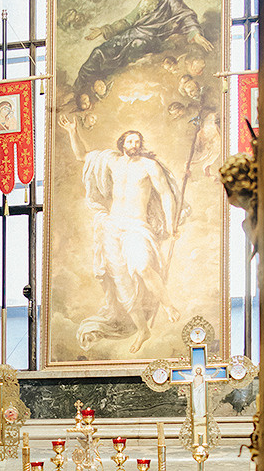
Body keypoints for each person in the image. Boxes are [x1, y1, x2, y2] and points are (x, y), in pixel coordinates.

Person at [63, 120, 182, 354]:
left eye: (137, 141)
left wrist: (170, 224)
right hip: (113, 225)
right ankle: (142, 329)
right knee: (121, 285)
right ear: (122, 144)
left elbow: (166, 194)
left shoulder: (149, 166)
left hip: (137, 225)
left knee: (142, 266)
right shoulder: (112, 161)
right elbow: (82, 156)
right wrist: (72, 131)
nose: (134, 144)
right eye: (130, 140)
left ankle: (168, 306)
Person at [74, 0, 214, 103]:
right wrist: (104, 30)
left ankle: (104, 77)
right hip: (132, 34)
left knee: (136, 46)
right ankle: (80, 84)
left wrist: (195, 33)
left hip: (152, 40)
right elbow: (127, 21)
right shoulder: (144, 4)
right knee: (99, 51)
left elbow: (185, 15)